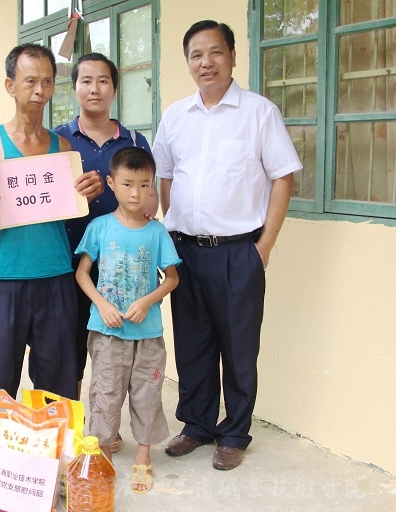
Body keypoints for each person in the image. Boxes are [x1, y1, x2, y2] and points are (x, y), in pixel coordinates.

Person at [152, 20, 302, 471]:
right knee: (193, 343)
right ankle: (197, 425)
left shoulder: (259, 113)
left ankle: (234, 433)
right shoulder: (175, 116)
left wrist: (264, 246)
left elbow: (283, 177)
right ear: (188, 62)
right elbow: (165, 176)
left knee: (238, 347)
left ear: (233, 56)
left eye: (215, 52)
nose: (206, 62)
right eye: (196, 55)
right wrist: (174, 231)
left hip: (239, 252)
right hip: (186, 251)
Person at [0, 43, 103, 441]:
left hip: (54, 275)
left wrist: (87, 192)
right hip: (1, 278)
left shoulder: (63, 149)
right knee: (0, 380)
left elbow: (70, 208)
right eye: (29, 81)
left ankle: (53, 458)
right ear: (10, 86)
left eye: (47, 82)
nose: (39, 90)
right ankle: (3, 460)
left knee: (56, 380)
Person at [53, 52, 153, 453]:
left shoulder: (135, 142)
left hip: (121, 269)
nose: (94, 89)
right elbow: (44, 201)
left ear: (114, 87)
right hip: (68, 262)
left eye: (103, 81)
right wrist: (73, 193)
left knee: (116, 350)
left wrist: (132, 200)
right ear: (74, 87)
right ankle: (76, 428)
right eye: (86, 81)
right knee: (70, 348)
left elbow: (150, 201)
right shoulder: (57, 140)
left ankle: (105, 426)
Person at [75, 146, 180, 493]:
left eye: (144, 185)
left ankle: (143, 457)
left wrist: (148, 301)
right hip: (106, 330)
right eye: (128, 184)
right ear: (111, 183)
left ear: (152, 186)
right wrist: (102, 304)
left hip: (147, 332)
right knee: (105, 394)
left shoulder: (157, 232)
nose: (136, 193)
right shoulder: (99, 227)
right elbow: (82, 273)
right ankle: (103, 456)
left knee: (147, 393)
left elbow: (172, 278)